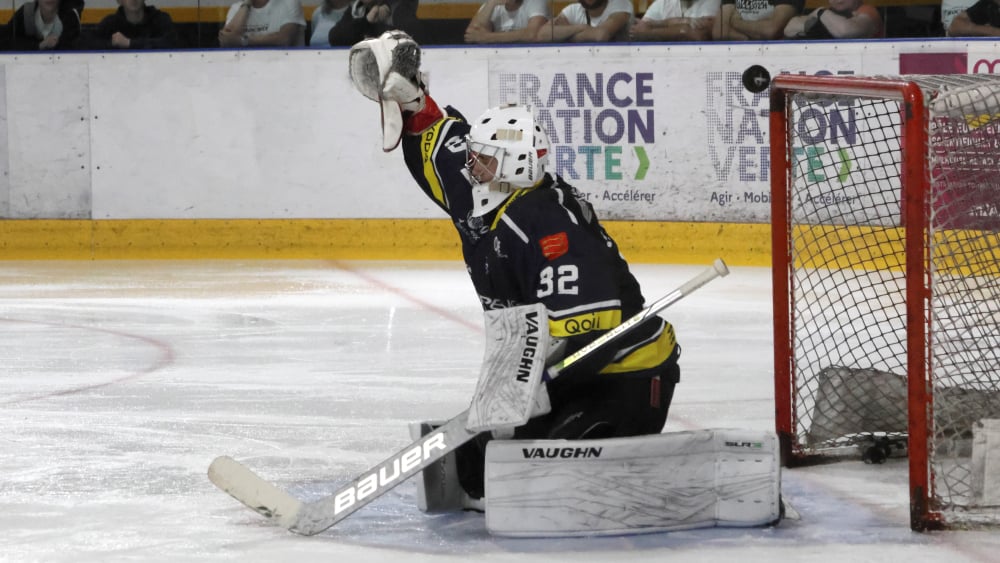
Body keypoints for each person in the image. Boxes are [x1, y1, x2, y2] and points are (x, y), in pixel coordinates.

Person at [350, 31, 681, 501]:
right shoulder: (482, 188)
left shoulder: (545, 222)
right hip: (562, 370)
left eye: (482, 159)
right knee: (479, 469)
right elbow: (435, 139)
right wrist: (409, 96)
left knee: (526, 480)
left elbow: (588, 334)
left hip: (624, 374)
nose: (470, 165)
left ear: (515, 165)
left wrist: (518, 391)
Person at [83, 0, 178, 49]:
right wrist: (111, 44)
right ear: (119, 0)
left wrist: (129, 43)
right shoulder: (111, 23)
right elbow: (85, 42)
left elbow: (172, 42)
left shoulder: (159, 19)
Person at [327, 0, 423, 46]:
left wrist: (387, 9)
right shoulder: (357, 8)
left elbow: (412, 39)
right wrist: (366, 21)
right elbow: (335, 38)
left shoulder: (399, 8)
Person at [534, 0, 633, 42]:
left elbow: (601, 35)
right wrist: (581, 28)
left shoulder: (621, 4)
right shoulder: (573, 9)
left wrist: (564, 35)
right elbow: (542, 34)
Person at [218, 0, 306, 48]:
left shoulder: (289, 3)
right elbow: (227, 41)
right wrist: (247, 4)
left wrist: (243, 41)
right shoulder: (236, 8)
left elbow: (284, 39)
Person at [2, 0, 81, 50]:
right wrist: (39, 45)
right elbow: (6, 41)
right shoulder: (26, 13)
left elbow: (73, 49)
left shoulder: (70, 16)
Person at [783, 0, 882, 38]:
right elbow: (790, 29)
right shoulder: (828, 13)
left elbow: (845, 31)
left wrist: (820, 12)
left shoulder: (867, 11)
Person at [464, 0, 550, 44]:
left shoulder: (535, 2)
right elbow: (471, 35)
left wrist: (487, 37)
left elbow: (533, 34)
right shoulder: (494, 4)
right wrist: (491, 3)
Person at [629, 0, 720, 42]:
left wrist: (651, 31)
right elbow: (638, 30)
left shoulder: (712, 2)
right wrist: (682, 22)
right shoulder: (663, 3)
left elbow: (698, 34)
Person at [714, 0, 803, 40]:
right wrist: (756, 33)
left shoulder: (735, 21)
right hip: (736, 55)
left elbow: (771, 31)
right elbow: (719, 32)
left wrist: (735, 22)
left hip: (775, 55)